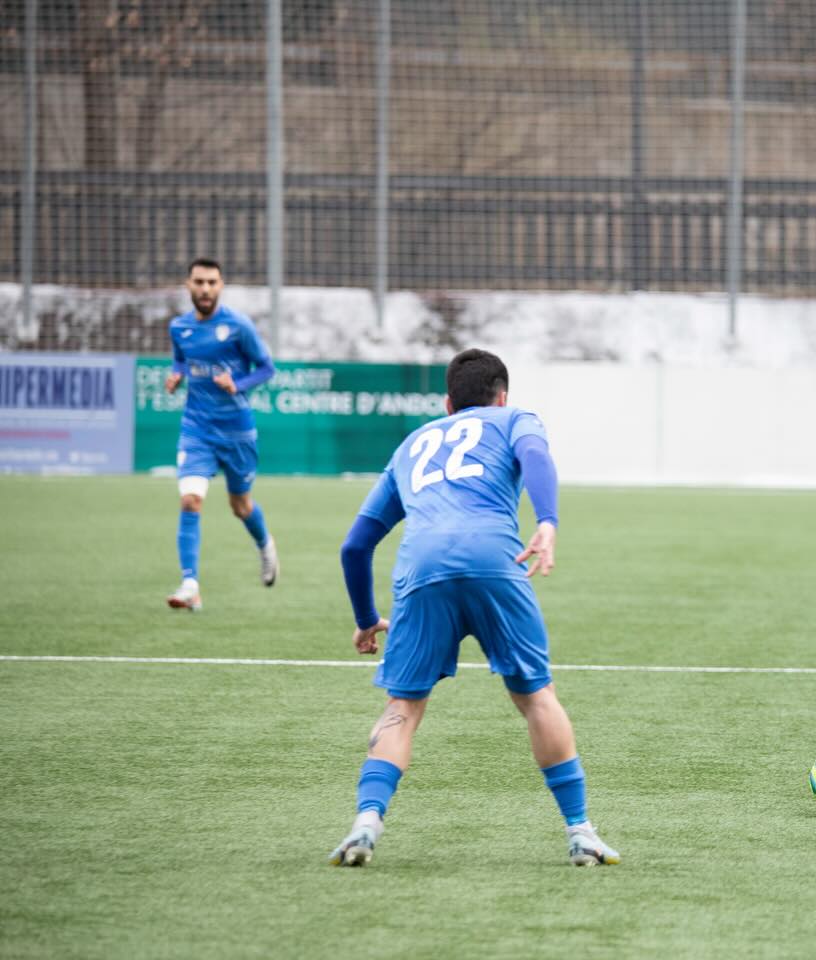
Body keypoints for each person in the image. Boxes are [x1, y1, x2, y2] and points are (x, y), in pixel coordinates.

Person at [329, 348, 619, 868]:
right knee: (536, 697)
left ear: (447, 404)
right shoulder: (516, 419)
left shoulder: (413, 444)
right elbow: (536, 458)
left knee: (403, 708)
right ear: (502, 396)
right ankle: (581, 833)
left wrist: (365, 619)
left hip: (421, 569)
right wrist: (547, 520)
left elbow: (355, 545)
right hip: (494, 558)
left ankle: (365, 822)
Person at [163, 257, 278, 611]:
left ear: (221, 285)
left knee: (240, 506)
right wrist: (177, 373)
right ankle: (190, 584)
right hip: (196, 429)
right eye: (199, 282)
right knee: (190, 499)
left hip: (236, 433)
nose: (205, 289)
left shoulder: (238, 326)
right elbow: (182, 358)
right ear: (188, 285)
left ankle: (265, 546)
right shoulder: (179, 328)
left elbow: (266, 368)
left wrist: (237, 384)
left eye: (212, 282)